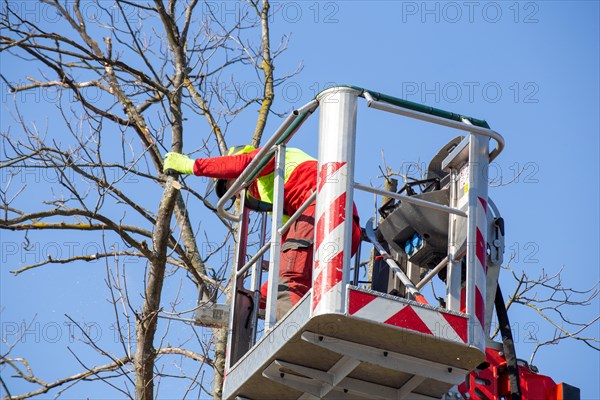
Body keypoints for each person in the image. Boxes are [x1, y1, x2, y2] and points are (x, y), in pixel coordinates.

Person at [163, 146, 362, 319]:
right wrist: (255, 299)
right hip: (343, 225)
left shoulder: (270, 156)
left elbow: (241, 165)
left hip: (322, 210)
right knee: (306, 283)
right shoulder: (281, 195)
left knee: (290, 283)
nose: (235, 188)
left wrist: (189, 165)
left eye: (230, 182)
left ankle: (296, 334)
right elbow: (291, 253)